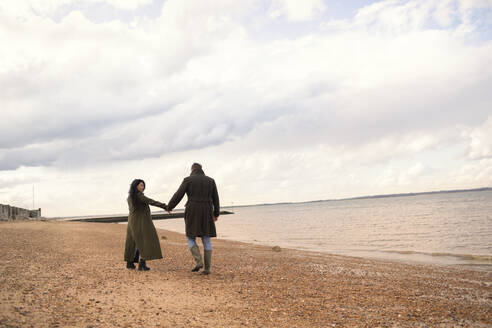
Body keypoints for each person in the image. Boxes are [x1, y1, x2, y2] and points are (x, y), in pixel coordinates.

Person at [167, 163, 219, 275]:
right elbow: (216, 198)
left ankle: (199, 261)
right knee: (206, 238)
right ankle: (207, 269)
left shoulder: (188, 180)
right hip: (207, 210)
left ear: (192, 169)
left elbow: (178, 194)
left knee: (190, 236)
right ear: (201, 169)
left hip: (192, 210)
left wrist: (170, 206)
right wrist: (216, 213)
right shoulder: (211, 180)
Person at [124, 179, 167, 271]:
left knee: (134, 242)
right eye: (141, 185)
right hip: (141, 222)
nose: (142, 187)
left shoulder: (130, 197)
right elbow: (152, 201)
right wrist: (165, 206)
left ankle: (131, 263)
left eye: (143, 186)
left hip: (132, 222)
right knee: (145, 241)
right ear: (136, 186)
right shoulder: (139, 196)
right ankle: (142, 263)